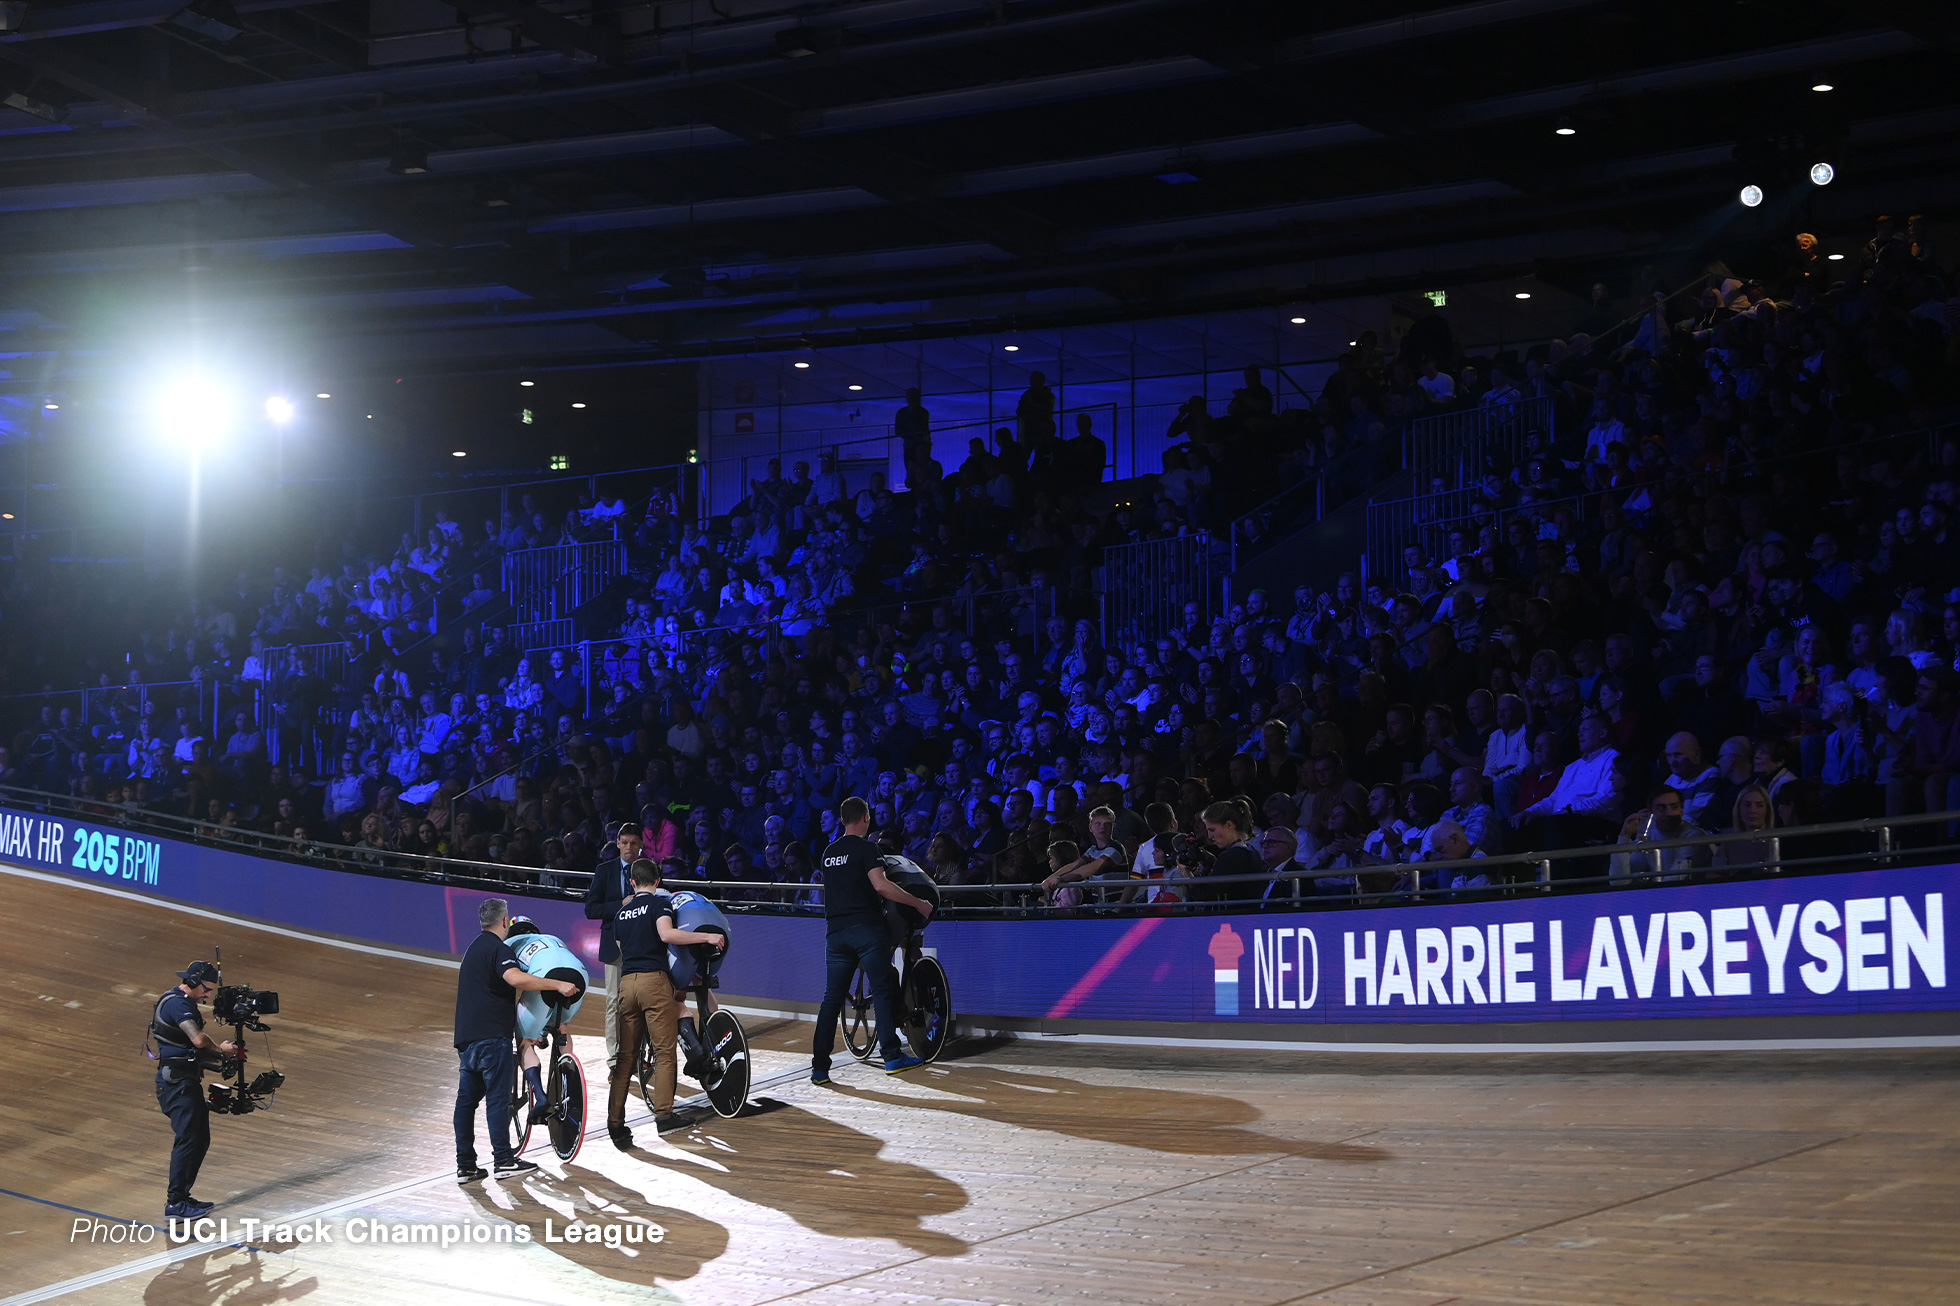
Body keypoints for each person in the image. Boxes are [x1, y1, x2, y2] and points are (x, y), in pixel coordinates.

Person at [454, 897, 578, 1184]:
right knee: (498, 1100)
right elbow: (515, 979)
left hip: (466, 1038)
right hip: (491, 1037)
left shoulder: (472, 949)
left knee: (466, 1103)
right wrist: (556, 984)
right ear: (503, 922)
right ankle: (504, 1160)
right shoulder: (499, 948)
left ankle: (466, 1166)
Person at [812, 796, 935, 1082]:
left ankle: (819, 1069)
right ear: (866, 818)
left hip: (836, 933)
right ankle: (892, 1056)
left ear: (842, 820)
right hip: (866, 929)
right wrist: (918, 903)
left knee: (831, 1000)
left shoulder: (828, 853)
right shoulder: (868, 849)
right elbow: (882, 886)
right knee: (882, 989)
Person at [607, 859, 726, 1148]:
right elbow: (666, 935)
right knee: (664, 1052)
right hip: (653, 982)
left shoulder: (621, 914)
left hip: (627, 984)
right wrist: (707, 936)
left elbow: (623, 950)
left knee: (625, 1057)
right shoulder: (660, 905)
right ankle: (664, 1116)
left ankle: (616, 1126)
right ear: (657, 882)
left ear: (633, 883)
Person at [151, 960, 244, 1219]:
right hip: (177, 1085)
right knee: (189, 1139)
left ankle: (183, 1196)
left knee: (200, 1138)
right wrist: (221, 1049)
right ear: (192, 982)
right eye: (206, 989)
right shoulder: (177, 1003)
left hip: (185, 1081)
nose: (209, 995)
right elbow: (198, 1040)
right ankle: (175, 1203)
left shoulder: (183, 1002)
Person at [582, 822, 641, 1073]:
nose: (628, 847)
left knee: (641, 1003)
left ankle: (640, 1056)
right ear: (617, 843)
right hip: (615, 947)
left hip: (642, 946)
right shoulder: (604, 871)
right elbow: (591, 910)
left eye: (633, 843)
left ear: (641, 845)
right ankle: (615, 1059)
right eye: (624, 842)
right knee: (614, 1003)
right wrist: (621, 903)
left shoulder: (648, 870)